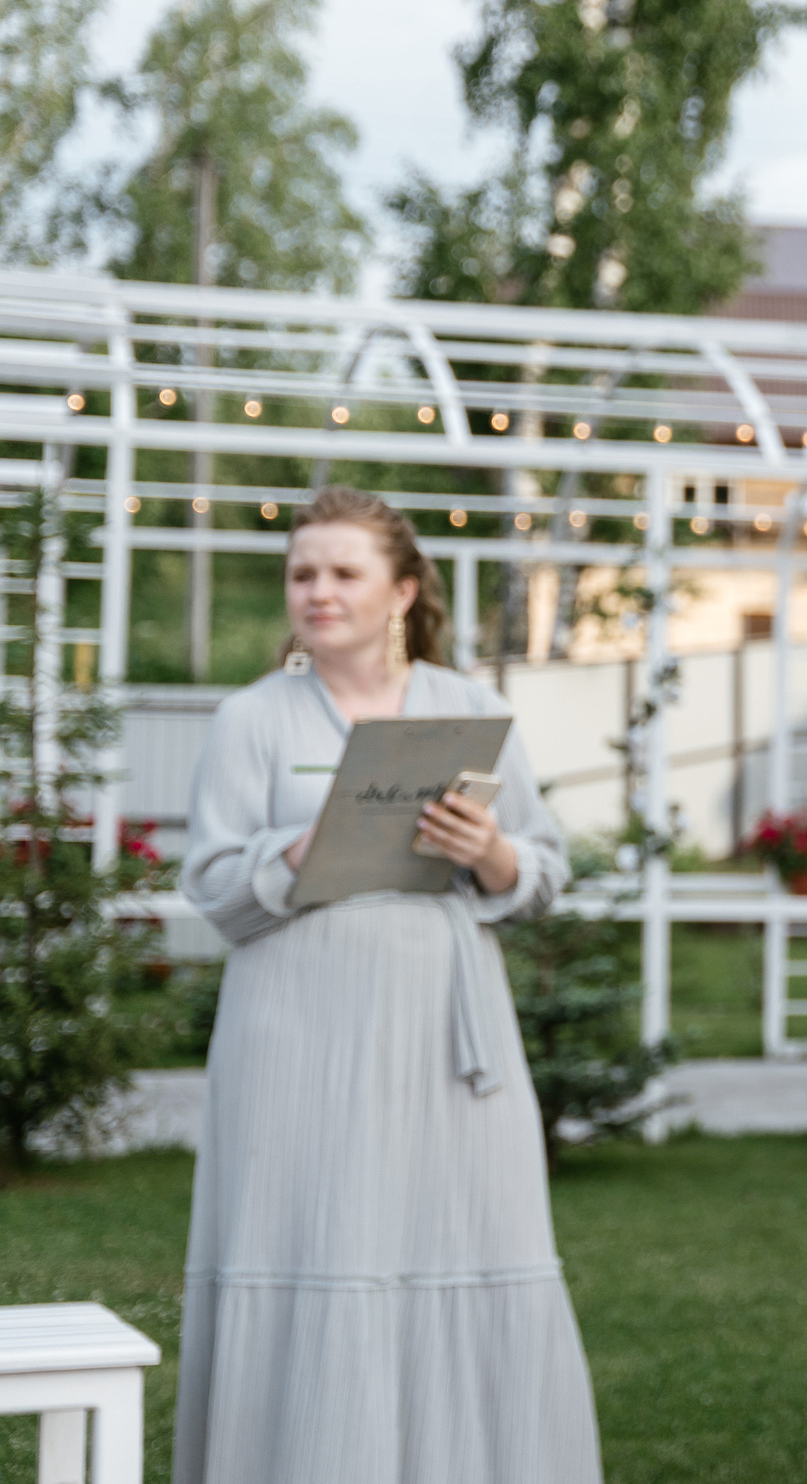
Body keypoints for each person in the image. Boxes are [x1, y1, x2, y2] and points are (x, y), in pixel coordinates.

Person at [176, 486, 600, 1484]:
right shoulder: (251, 718)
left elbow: (541, 873)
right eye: (301, 574)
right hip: (294, 1036)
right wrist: (307, 846)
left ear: (403, 591)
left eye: (342, 573)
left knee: (457, 1238)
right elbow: (213, 890)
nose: (317, 593)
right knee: (312, 1239)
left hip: (447, 1044)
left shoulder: (471, 709)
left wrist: (490, 851)